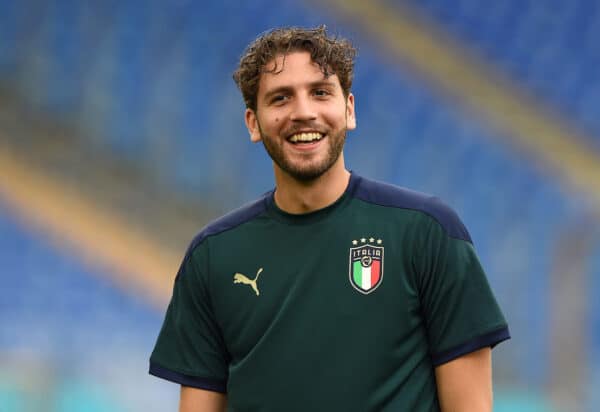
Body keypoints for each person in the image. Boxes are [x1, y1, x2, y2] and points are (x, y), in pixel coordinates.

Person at [149, 26, 510, 412]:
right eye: (281, 98)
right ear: (253, 123)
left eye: (320, 92)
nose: (304, 112)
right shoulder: (213, 255)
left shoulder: (428, 232)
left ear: (349, 109)